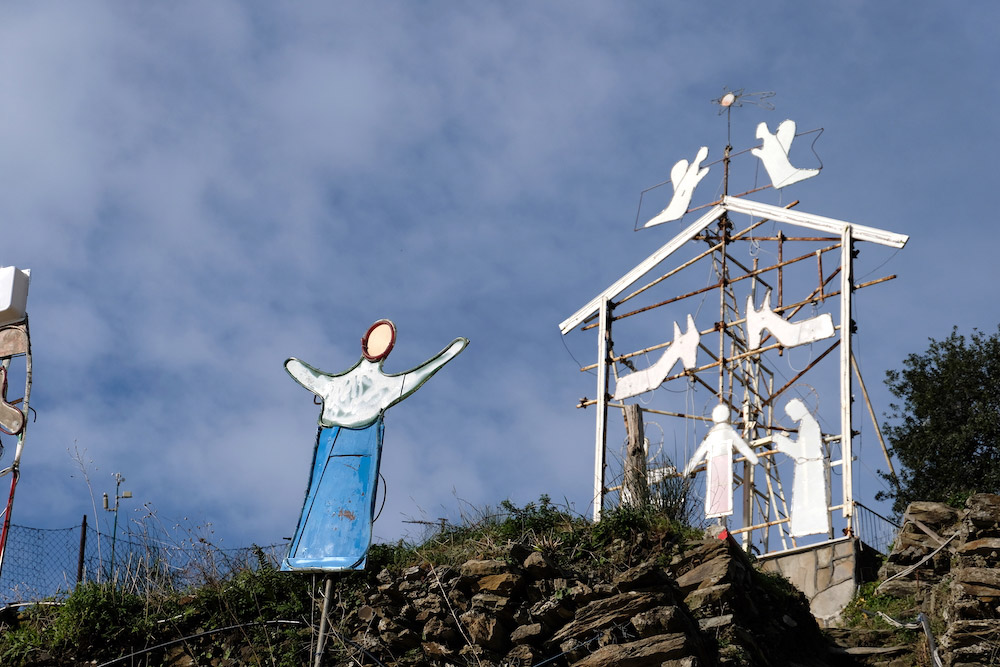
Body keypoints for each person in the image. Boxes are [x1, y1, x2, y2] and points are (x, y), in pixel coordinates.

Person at [281, 320, 468, 571]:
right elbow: (305, 374)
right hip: (333, 442)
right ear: (365, 343)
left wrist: (446, 355)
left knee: (349, 503)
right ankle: (308, 554)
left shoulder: (379, 386)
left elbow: (417, 376)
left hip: (360, 445)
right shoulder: (344, 385)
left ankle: (339, 554)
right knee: (320, 501)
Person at [683, 404, 759, 518]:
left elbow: (699, 454)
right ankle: (718, 512)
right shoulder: (726, 432)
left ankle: (718, 511)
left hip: (716, 462)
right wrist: (753, 458)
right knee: (721, 490)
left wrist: (688, 469)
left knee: (717, 491)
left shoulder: (714, 434)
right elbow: (742, 446)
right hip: (722, 462)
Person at [772, 398, 830, 537]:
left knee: (807, 500)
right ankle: (803, 526)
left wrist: (782, 442)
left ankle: (809, 526)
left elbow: (803, 452)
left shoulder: (809, 425)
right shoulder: (807, 424)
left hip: (809, 468)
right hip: (806, 468)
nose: (791, 417)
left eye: (791, 413)